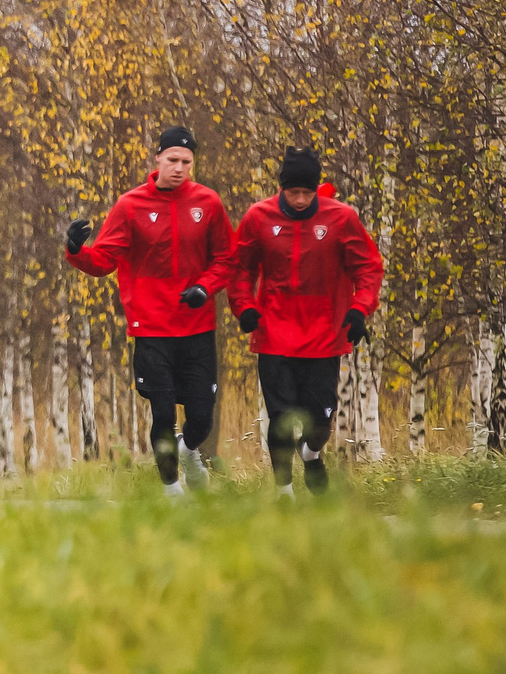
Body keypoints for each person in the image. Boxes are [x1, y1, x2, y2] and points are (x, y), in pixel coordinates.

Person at [66, 126, 237, 495]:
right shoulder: (131, 206)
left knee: (201, 417)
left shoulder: (207, 203)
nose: (179, 168)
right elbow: (104, 260)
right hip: (151, 328)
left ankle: (188, 451)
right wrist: (77, 250)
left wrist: (205, 288)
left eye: (186, 162)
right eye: (172, 160)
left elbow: (226, 258)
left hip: (196, 326)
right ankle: (170, 487)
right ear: (157, 158)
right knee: (161, 411)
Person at [228, 147, 384, 495]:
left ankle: (311, 454)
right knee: (281, 419)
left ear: (317, 189)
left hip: (324, 335)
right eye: (292, 192)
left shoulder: (341, 219)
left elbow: (369, 268)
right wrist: (245, 308)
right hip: (274, 333)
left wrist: (360, 310)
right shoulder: (258, 217)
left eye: (307, 192)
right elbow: (240, 270)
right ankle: (284, 492)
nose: (299, 199)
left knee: (320, 420)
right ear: (281, 188)